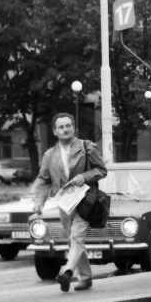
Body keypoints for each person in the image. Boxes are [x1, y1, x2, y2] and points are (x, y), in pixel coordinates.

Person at [29, 113, 107, 292]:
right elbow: (44, 179)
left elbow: (102, 170)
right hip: (64, 204)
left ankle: (67, 272)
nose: (65, 130)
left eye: (68, 126)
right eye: (61, 127)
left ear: (73, 128)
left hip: (86, 200)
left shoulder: (86, 147)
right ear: (55, 131)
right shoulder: (50, 154)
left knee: (76, 237)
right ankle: (86, 278)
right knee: (74, 242)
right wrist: (39, 202)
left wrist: (85, 176)